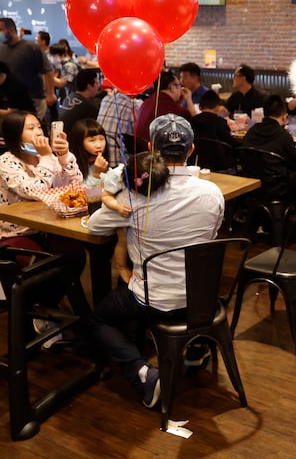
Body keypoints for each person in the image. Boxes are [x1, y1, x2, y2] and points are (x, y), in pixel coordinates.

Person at [87, 114, 224, 409]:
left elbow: (95, 226)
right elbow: (208, 240)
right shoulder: (212, 193)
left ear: (151, 148)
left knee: (98, 318)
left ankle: (142, 372)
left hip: (153, 297)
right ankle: (196, 345)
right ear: (191, 150)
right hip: (200, 297)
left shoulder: (137, 193)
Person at [0, 111, 86, 337]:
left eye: (39, 126)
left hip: (45, 227)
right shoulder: (6, 161)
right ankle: (41, 311)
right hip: (10, 233)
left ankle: (48, 304)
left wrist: (64, 155)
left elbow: (75, 185)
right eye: (30, 128)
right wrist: (48, 158)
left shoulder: (44, 156)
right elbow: (35, 191)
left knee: (75, 254)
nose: (38, 131)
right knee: (47, 266)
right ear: (15, 135)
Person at [68, 118, 131, 296]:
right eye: (92, 140)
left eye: (101, 139)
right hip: (84, 220)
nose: (98, 145)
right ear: (79, 142)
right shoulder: (75, 167)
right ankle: (103, 299)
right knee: (101, 250)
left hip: (107, 216)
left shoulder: (104, 163)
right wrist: (96, 174)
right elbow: (87, 199)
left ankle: (123, 291)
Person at [241, 94, 296, 203]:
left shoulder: (252, 131)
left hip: (252, 185)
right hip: (277, 188)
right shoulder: (282, 135)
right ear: (284, 117)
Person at [0, 17, 55, 120]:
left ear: (11, 30)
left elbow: (47, 71)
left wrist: (50, 93)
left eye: (0, 30)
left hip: (33, 99)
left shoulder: (31, 48)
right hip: (9, 102)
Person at [134, 70, 192, 145]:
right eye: (180, 85)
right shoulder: (180, 112)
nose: (181, 89)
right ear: (173, 87)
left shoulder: (146, 103)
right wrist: (189, 100)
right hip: (160, 155)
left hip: (141, 152)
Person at [189, 90, 239, 172]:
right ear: (217, 108)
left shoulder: (192, 121)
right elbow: (232, 143)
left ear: (199, 107)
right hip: (221, 166)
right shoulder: (220, 122)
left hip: (197, 163)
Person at [96, 84, 142, 166]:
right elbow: (138, 137)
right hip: (118, 164)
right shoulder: (133, 106)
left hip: (98, 157)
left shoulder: (105, 100)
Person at [59, 68, 101, 133]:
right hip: (72, 140)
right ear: (89, 86)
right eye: (97, 83)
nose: (98, 86)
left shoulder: (69, 96)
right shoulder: (89, 107)